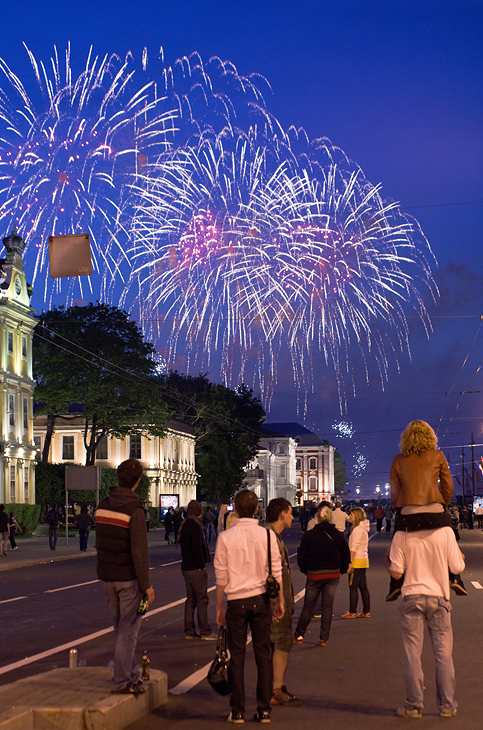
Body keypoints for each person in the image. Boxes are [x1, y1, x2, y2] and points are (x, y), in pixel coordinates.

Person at [214, 489, 284, 725]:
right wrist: (280, 600)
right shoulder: (267, 536)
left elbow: (221, 576)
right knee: (263, 654)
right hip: (262, 599)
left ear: (234, 507)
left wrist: (218, 607)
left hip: (235, 602)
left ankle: (237, 710)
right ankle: (264, 710)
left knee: (237, 656)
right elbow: (277, 571)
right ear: (257, 509)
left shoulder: (225, 537)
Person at [388, 519, 465, 718]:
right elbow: (457, 567)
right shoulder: (446, 531)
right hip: (439, 597)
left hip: (411, 596)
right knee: (443, 655)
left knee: (413, 655)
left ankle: (414, 705)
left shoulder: (401, 534)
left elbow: (396, 572)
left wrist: (390, 565)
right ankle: (447, 705)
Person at [388, 420, 465, 600]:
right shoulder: (438, 456)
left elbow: (394, 491)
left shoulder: (398, 460)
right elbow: (448, 486)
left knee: (396, 541)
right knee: (451, 537)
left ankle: (395, 584)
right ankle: (455, 577)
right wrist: (442, 505)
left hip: (408, 511)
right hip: (435, 508)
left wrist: (400, 508)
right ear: (431, 437)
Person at [95, 458, 154, 695]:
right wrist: (147, 586)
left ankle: (130, 675)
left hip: (108, 576)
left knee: (120, 629)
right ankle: (121, 681)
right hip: (129, 579)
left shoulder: (102, 507)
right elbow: (139, 552)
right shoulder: (135, 511)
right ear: (137, 482)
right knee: (128, 631)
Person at [295, 501, 350, 643]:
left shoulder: (310, 535)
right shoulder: (338, 535)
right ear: (331, 518)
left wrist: (305, 570)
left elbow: (301, 555)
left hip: (314, 573)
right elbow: (345, 554)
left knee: (309, 605)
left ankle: (299, 634)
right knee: (327, 606)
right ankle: (324, 638)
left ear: (317, 518)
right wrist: (342, 569)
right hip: (332, 573)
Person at [266, 498, 303, 707]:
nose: (292, 516)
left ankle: (274, 688)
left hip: (276, 602)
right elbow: (274, 573)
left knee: (275, 645)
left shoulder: (271, 536)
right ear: (282, 514)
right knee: (280, 643)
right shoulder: (271, 538)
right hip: (276, 604)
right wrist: (281, 601)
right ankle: (276, 690)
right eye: (290, 513)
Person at [178, 499, 217, 641]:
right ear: (198, 511)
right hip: (195, 568)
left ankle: (189, 630)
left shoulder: (185, 524)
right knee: (201, 599)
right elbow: (197, 548)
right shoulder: (195, 526)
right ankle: (205, 631)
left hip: (186, 567)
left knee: (190, 600)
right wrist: (201, 565)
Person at [341, 507, 371, 619]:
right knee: (363, 586)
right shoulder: (362, 529)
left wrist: (349, 562)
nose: (350, 516)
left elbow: (354, 547)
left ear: (357, 516)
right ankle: (366, 610)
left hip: (357, 560)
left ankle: (352, 611)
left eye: (352, 515)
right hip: (363, 559)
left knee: (353, 586)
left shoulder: (357, 530)